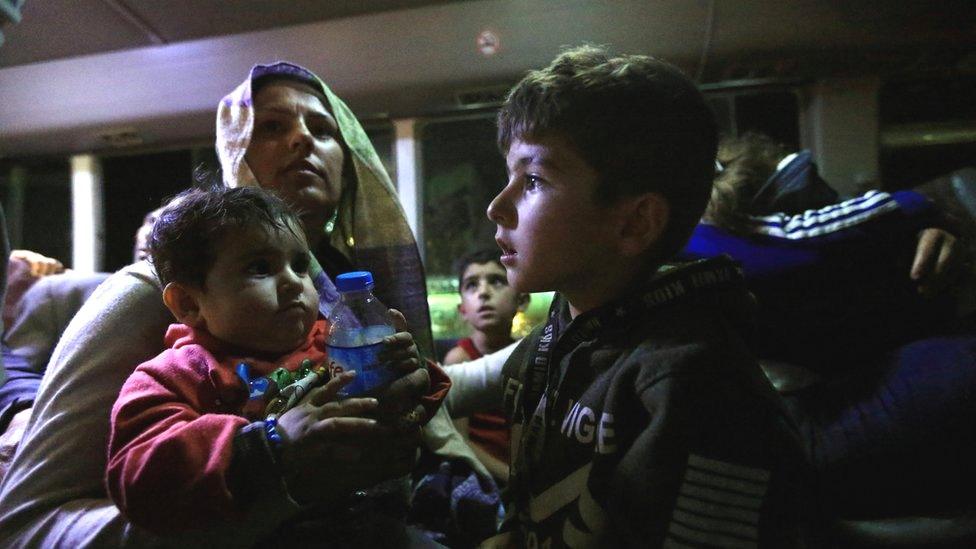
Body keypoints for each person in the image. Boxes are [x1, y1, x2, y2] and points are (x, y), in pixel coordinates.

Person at [0, 61, 469, 547]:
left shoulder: (337, 306)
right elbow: (35, 520)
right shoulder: (156, 306)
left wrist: (410, 381)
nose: (303, 141)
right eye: (271, 126)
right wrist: (271, 456)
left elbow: (389, 406)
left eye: (324, 129)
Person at [480, 46, 808, 547]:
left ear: (635, 222)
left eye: (533, 180)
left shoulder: (698, 390)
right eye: (509, 177)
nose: (496, 207)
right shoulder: (555, 338)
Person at [684, 132, 976, 518]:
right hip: (808, 414)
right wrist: (919, 207)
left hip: (861, 365)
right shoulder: (698, 240)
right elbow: (792, 242)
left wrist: (937, 226)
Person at [106, 186, 422, 536]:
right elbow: (138, 477)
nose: (292, 282)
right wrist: (269, 441)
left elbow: (402, 411)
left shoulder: (333, 341)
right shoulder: (176, 374)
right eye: (259, 267)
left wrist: (404, 370)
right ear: (188, 304)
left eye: (300, 265)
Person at [443, 249, 527, 484]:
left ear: (522, 299)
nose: (483, 293)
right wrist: (513, 479)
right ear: (463, 310)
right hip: (487, 478)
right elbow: (460, 444)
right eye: (472, 285)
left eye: (496, 281)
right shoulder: (458, 361)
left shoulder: (528, 354)